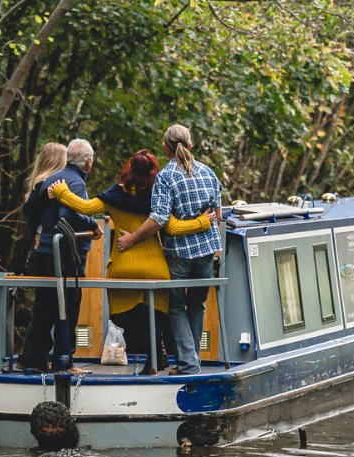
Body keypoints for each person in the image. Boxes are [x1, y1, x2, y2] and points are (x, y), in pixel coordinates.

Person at [46, 150, 218, 371]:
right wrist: (203, 222)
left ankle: (154, 353)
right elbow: (174, 227)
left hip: (123, 267)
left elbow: (85, 207)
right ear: (154, 172)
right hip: (157, 269)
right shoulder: (158, 196)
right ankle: (157, 355)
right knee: (155, 314)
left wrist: (61, 192)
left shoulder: (116, 195)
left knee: (124, 317)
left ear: (128, 169)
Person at [117, 125, 223, 375]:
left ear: (165, 148)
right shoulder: (208, 172)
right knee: (197, 305)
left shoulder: (166, 177)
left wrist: (131, 239)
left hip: (179, 254)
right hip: (207, 251)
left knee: (176, 308)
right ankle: (191, 362)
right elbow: (217, 217)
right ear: (191, 145)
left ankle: (188, 364)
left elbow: (159, 218)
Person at [20, 140, 101, 373]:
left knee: (45, 307)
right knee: (69, 306)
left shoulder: (52, 179)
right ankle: (64, 360)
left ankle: (33, 359)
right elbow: (69, 216)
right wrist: (92, 224)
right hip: (65, 255)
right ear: (88, 162)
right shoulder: (75, 182)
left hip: (45, 251)